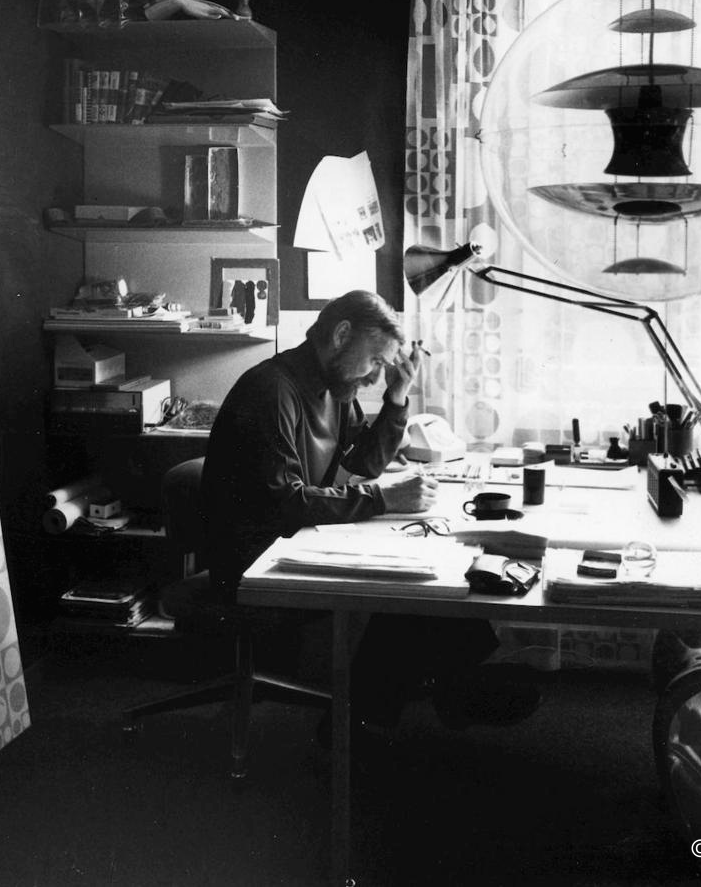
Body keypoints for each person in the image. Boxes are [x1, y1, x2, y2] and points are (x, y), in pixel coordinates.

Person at [199, 290, 537, 738]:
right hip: (249, 560)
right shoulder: (271, 390)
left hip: (290, 541)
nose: (376, 375)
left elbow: (363, 465)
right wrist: (384, 499)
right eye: (376, 361)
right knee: (401, 588)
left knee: (425, 568)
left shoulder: (332, 388)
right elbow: (285, 504)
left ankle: (441, 688)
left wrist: (398, 398)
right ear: (341, 335)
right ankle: (362, 723)